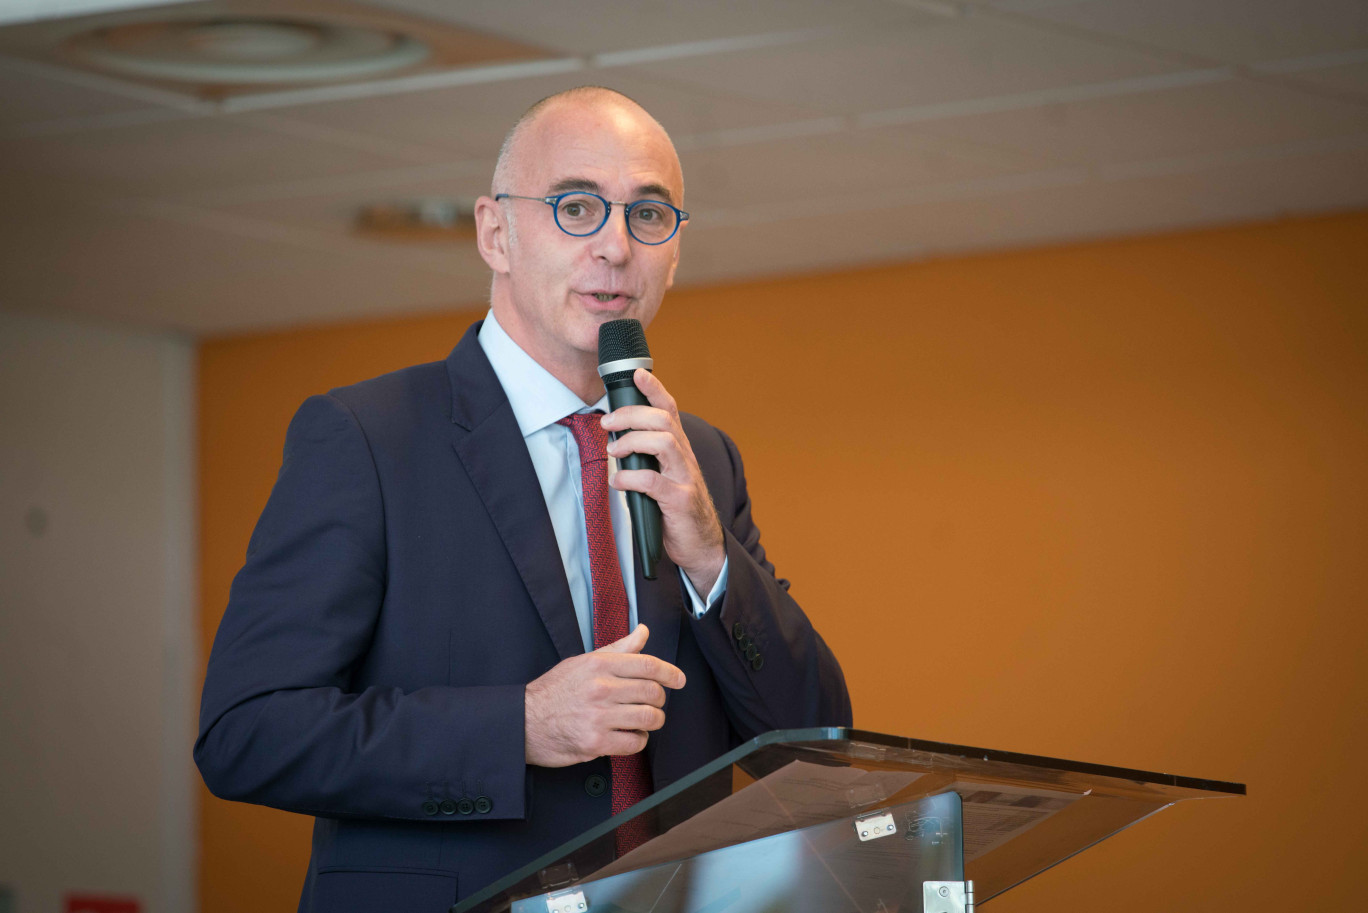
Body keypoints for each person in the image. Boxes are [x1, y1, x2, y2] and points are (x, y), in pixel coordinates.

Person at [195, 86, 852, 913]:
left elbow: (818, 740)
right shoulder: (366, 438)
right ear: (494, 232)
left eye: (648, 216)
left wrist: (712, 557)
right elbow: (246, 734)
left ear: (674, 251)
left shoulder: (702, 459)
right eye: (577, 207)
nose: (615, 246)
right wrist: (519, 726)